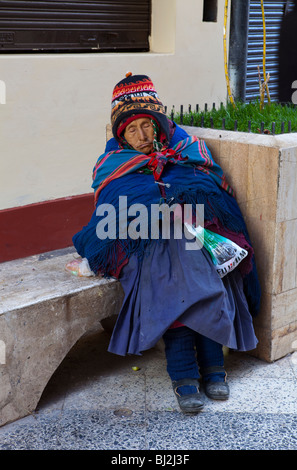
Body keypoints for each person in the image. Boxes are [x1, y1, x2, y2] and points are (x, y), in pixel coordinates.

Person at [72, 73, 261, 413]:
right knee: (173, 266)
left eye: (147, 125)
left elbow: (214, 197)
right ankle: (198, 369)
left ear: (159, 123)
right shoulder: (113, 163)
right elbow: (111, 216)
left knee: (196, 263)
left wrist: (179, 208)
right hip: (142, 246)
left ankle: (197, 369)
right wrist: (159, 211)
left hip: (194, 237)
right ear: (121, 134)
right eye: (132, 130)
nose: (142, 136)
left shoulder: (187, 149)